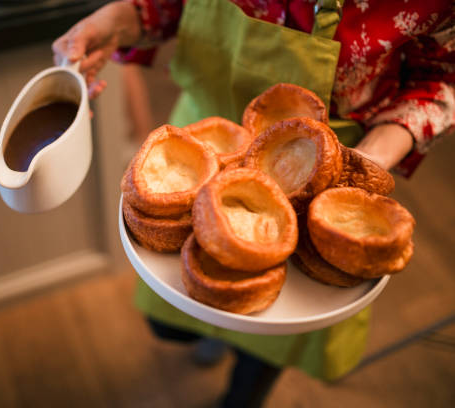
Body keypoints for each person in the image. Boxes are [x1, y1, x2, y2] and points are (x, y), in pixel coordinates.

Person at [53, 1, 454, 406]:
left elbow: (440, 78)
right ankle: (215, 331)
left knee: (262, 353)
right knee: (171, 324)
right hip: (200, 142)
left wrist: (368, 161)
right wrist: (119, 21)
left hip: (326, 178)